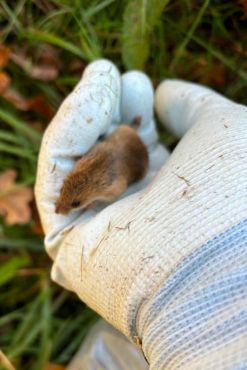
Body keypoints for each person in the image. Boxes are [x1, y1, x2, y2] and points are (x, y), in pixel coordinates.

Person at [35, 59, 247, 369]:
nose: (64, 209)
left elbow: (116, 185)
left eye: (77, 204)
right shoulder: (92, 169)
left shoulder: (110, 185)